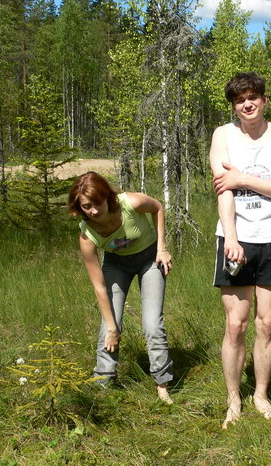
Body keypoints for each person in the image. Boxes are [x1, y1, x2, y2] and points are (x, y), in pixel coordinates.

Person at [209, 72, 271, 428]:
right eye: (239, 100)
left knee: (267, 322)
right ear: (234, 106)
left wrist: (243, 177)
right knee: (236, 324)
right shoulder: (223, 136)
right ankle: (234, 398)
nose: (247, 104)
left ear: (264, 100)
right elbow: (224, 191)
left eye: (253, 97)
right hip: (236, 238)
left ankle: (260, 395)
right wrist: (231, 238)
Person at [67, 172, 174, 403]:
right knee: (108, 327)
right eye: (87, 206)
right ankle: (103, 382)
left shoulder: (130, 203)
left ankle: (162, 382)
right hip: (116, 264)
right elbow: (99, 287)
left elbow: (157, 207)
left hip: (149, 259)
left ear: (107, 197)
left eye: (97, 203)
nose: (94, 211)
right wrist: (113, 327)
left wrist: (162, 248)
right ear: (79, 208)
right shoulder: (87, 235)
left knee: (152, 324)